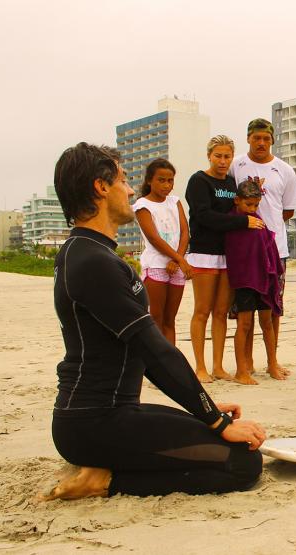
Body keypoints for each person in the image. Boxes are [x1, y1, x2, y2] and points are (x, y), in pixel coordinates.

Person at [44, 142, 265, 500]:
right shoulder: (93, 263)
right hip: (96, 423)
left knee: (207, 432)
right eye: (123, 180)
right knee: (243, 464)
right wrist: (216, 421)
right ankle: (104, 481)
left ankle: (105, 467)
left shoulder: (85, 252)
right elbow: (155, 350)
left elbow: (145, 354)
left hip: (107, 414)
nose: (131, 190)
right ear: (101, 187)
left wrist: (205, 409)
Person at [186, 135, 265, 383]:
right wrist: (242, 222)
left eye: (227, 156)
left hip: (228, 254)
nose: (222, 161)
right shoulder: (199, 181)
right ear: (209, 156)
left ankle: (218, 366)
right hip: (203, 253)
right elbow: (204, 216)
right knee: (202, 311)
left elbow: (242, 206)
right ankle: (200, 367)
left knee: (221, 312)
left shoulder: (232, 183)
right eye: (218, 156)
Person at [230, 118, 296, 361]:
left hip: (275, 250)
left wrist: (268, 228)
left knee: (273, 308)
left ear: (272, 141)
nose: (261, 143)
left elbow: (287, 211)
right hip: (244, 251)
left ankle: (272, 360)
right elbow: (231, 202)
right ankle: (246, 361)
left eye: (266, 139)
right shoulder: (236, 165)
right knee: (245, 310)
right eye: (256, 138)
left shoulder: (285, 170)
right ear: (248, 138)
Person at [224, 179, 285, 385]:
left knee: (267, 322)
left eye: (256, 205)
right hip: (244, 280)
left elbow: (268, 247)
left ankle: (272, 364)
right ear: (237, 200)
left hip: (264, 278)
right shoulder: (233, 222)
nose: (252, 209)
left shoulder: (258, 220)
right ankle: (241, 370)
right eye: (248, 204)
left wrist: (274, 273)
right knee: (244, 324)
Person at [132, 158, 191, 344]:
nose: (167, 185)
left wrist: (177, 260)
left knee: (169, 320)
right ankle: (157, 358)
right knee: (156, 319)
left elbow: (185, 233)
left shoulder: (175, 201)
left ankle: (170, 359)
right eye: (161, 180)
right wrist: (180, 260)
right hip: (156, 265)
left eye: (170, 180)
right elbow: (154, 238)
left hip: (176, 265)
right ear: (149, 180)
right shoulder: (142, 205)